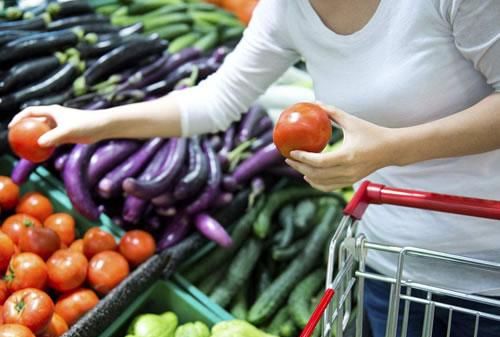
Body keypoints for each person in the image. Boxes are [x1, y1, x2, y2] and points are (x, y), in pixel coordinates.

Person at [9, 0, 500, 336]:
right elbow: (215, 100)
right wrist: (86, 124)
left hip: (484, 263)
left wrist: (391, 148)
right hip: (387, 259)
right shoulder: (288, 11)